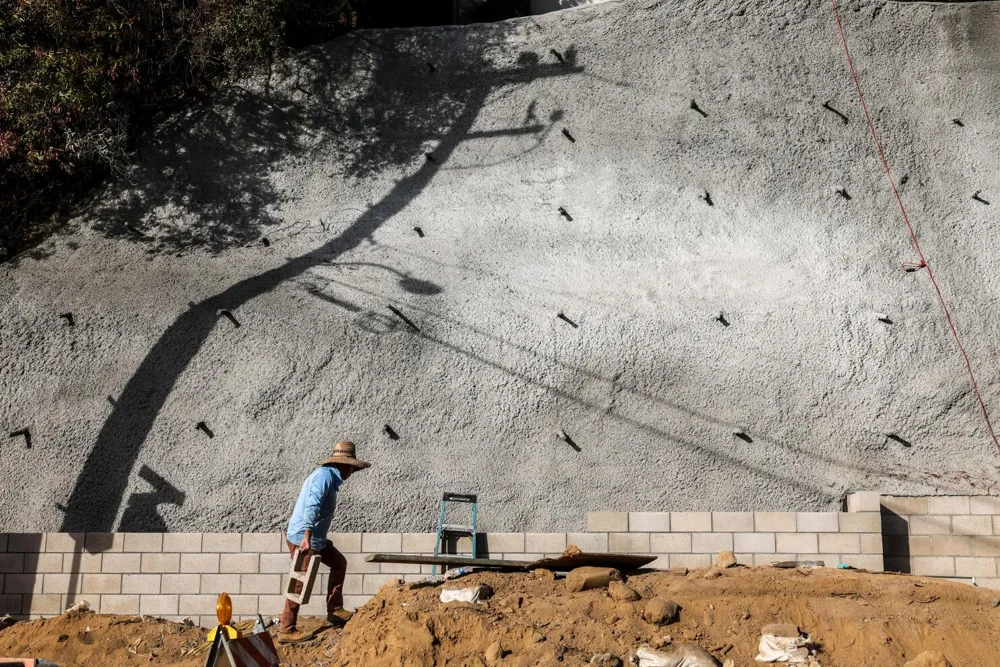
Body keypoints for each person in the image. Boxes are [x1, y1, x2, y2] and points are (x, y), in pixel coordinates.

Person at [278, 440, 370, 644]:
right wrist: (307, 539)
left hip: (315, 538)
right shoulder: (324, 478)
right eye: (352, 468)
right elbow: (312, 507)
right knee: (299, 582)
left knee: (339, 563)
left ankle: (335, 610)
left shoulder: (329, 476)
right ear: (343, 464)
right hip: (305, 538)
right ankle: (286, 629)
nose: (353, 472)